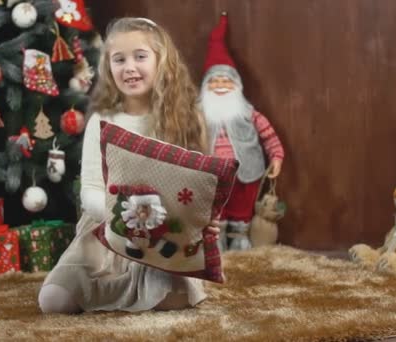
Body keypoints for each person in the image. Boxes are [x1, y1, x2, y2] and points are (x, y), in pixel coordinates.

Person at [38, 17, 219, 314]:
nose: (129, 68)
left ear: (162, 62)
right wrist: (123, 215)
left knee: (172, 297)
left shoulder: (187, 118)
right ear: (108, 67)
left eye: (140, 56)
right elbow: (91, 190)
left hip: (165, 234)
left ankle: (146, 287)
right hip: (107, 229)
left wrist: (201, 216)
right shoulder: (103, 120)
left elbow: (201, 186)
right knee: (53, 301)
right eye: (119, 59)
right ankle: (116, 287)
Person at [200, 13, 284, 251]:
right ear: (205, 86)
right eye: (214, 82)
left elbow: (269, 137)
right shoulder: (197, 114)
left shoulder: (249, 113)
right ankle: (215, 240)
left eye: (226, 81)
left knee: (240, 208)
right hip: (211, 175)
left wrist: (276, 157)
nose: (220, 86)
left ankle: (239, 240)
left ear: (236, 86)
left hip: (246, 172)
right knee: (216, 209)